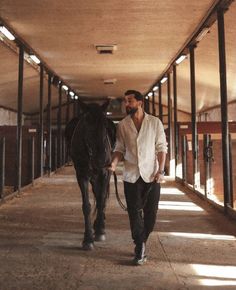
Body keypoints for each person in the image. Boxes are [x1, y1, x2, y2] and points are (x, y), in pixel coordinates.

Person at [110, 90, 167, 265]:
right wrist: (113, 163)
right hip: (131, 175)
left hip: (152, 175)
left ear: (140, 102)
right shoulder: (122, 125)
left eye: (130, 101)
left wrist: (161, 171)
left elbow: (161, 147)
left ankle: (142, 240)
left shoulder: (155, 123)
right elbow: (119, 147)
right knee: (134, 213)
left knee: (151, 214)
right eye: (125, 101)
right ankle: (139, 247)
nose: (127, 104)